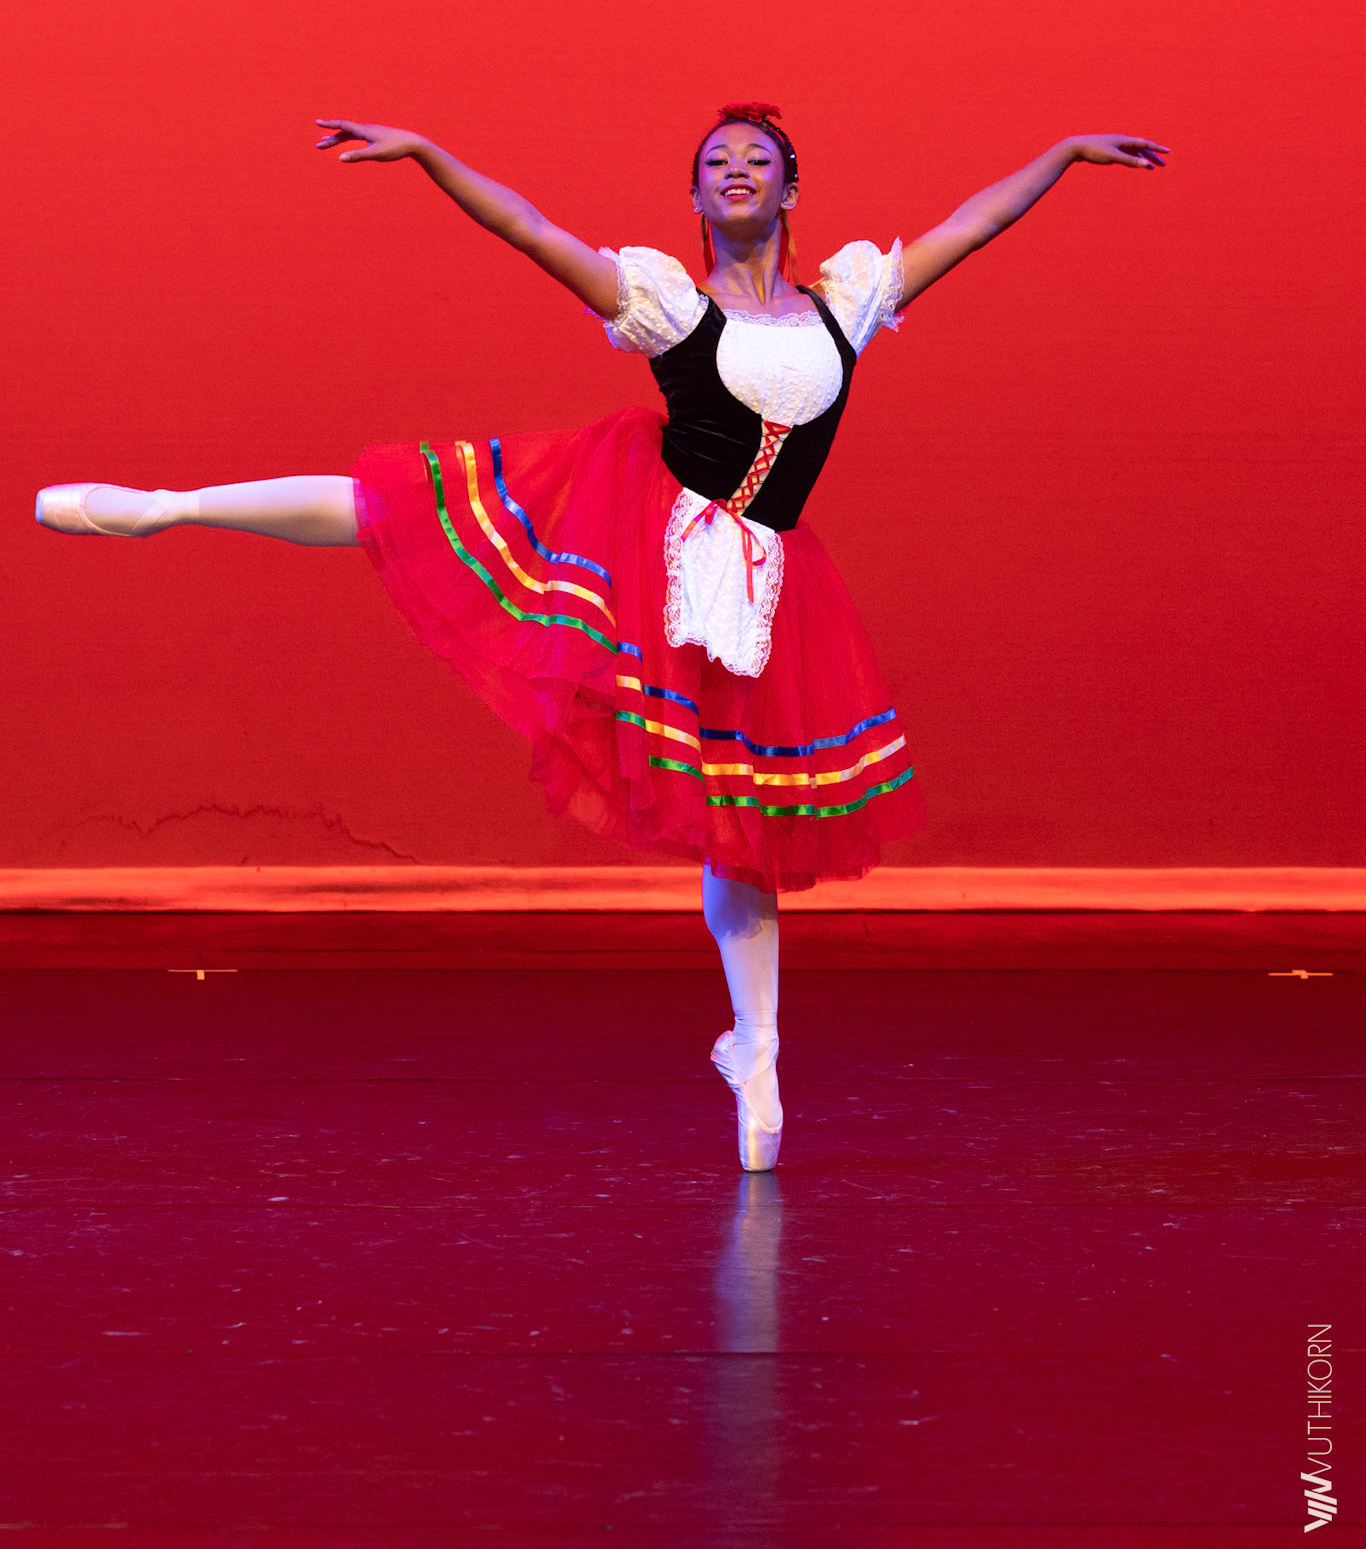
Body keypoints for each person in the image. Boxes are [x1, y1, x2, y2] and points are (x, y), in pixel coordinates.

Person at [35, 102, 1169, 1170]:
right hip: (638, 540)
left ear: (789, 191)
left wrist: (1064, 154)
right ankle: (169, 506)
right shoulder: (669, 304)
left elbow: (973, 223)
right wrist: (428, 155)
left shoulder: (851, 300)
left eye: (757, 160)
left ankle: (758, 1054)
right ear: (696, 196)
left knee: (743, 826)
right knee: (416, 502)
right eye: (716, 161)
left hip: (757, 588)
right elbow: (530, 229)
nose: (736, 169)